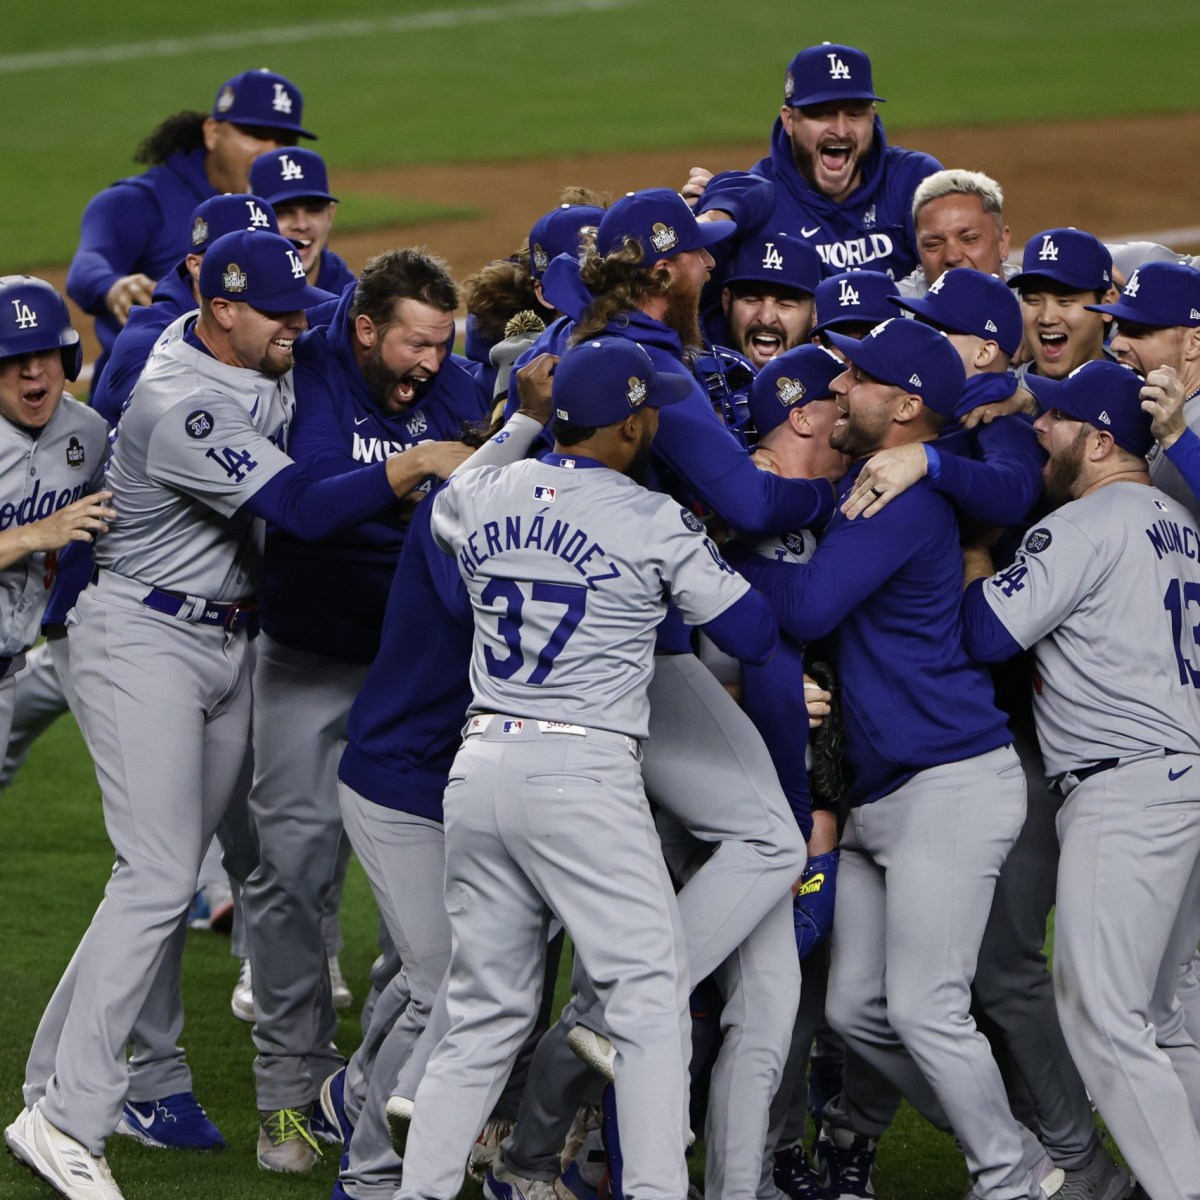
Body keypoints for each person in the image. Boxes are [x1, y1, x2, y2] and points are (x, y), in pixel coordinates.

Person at [4, 229, 470, 1200]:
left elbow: (360, 340)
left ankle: (47, 1086)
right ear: (222, 309)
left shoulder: (260, 349)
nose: (300, 328)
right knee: (162, 870)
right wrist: (416, 461)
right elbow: (299, 505)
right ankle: (69, 1120)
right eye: (278, 313)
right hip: (142, 638)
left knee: (152, 880)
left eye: (304, 310)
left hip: (227, 644)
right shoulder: (182, 401)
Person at [396, 334, 780, 1200]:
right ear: (636, 424)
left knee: (484, 1013)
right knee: (646, 1005)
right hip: (581, 774)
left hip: (482, 766)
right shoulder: (651, 520)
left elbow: (446, 502)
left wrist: (518, 425)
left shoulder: (485, 494)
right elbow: (751, 634)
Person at [725, 319, 1065, 1200]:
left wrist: (711, 547)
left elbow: (803, 606)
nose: (838, 387)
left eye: (856, 379)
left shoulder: (903, 499)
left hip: (948, 780)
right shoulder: (875, 483)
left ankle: (1013, 1173)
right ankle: (1015, 1143)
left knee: (923, 1007)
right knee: (856, 1012)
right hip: (888, 794)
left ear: (906, 405)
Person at [242, 247, 490, 1172]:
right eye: (413, 345)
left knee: (415, 911)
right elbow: (303, 506)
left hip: (418, 677)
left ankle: (371, 1083)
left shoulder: (463, 388)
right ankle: (285, 1093)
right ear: (364, 330)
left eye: (443, 343)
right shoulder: (311, 370)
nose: (429, 364)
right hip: (305, 664)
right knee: (294, 876)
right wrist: (414, 469)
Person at [961, 359, 1200, 1200]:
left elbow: (987, 635)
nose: (1040, 431)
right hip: (1186, 781)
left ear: (1099, 442)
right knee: (1165, 1020)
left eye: (1055, 421)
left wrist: (973, 553)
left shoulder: (1085, 525)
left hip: (1126, 791)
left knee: (1104, 1021)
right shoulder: (1181, 519)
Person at [68, 69, 313, 381]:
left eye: (285, 140)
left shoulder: (286, 210)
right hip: (150, 385)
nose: (271, 152)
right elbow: (87, 265)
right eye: (255, 135)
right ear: (212, 132)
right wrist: (113, 286)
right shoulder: (139, 201)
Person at [686, 43, 940, 279]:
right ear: (790, 121)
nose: (840, 130)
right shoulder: (759, 200)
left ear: (872, 116)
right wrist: (691, 226)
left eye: (855, 114)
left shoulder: (914, 180)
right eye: (822, 115)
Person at [0, 276, 112, 749]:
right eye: (13, 359)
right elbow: (45, 534)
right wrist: (32, 536)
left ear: (69, 360)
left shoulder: (87, 433)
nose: (33, 372)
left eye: (46, 353)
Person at [1009, 227, 1117, 382]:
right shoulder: (996, 399)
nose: (1046, 318)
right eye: (1032, 300)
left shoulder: (1145, 391)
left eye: (1064, 301)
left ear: (1106, 306)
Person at [706, 231, 821, 371]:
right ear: (727, 301)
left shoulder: (836, 382)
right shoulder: (690, 365)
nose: (766, 318)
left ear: (815, 313)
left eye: (785, 304)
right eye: (751, 300)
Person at [249, 146, 356, 294]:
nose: (301, 224)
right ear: (255, 219)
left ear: (330, 215)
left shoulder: (352, 303)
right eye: (283, 212)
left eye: (313, 210)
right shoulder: (233, 296)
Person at [897, 168, 1014, 296]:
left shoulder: (1033, 299)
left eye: (969, 239)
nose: (951, 257)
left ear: (1002, 242)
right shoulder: (892, 308)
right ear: (919, 250)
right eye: (933, 244)